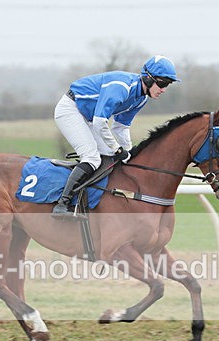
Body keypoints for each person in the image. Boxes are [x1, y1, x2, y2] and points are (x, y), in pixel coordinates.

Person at [51, 55, 181, 218]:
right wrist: (117, 149)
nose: (164, 89)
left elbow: (121, 127)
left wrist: (129, 153)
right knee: (92, 158)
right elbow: (100, 122)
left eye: (167, 85)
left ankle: (90, 201)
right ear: (148, 78)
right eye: (162, 83)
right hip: (70, 110)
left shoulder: (140, 99)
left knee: (110, 157)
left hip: (88, 118)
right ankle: (62, 204)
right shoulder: (121, 87)